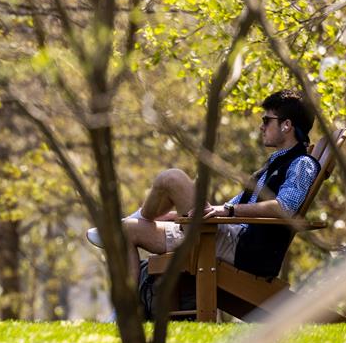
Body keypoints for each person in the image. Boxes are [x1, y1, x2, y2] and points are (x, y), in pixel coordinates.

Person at [86, 89, 321, 284]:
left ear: (286, 125)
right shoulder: (270, 168)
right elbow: (232, 206)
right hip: (224, 235)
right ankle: (126, 315)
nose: (261, 127)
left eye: (266, 120)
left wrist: (228, 212)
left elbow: (285, 207)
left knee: (174, 178)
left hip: (245, 248)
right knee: (127, 230)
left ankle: (137, 217)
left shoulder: (302, 164)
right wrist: (176, 216)